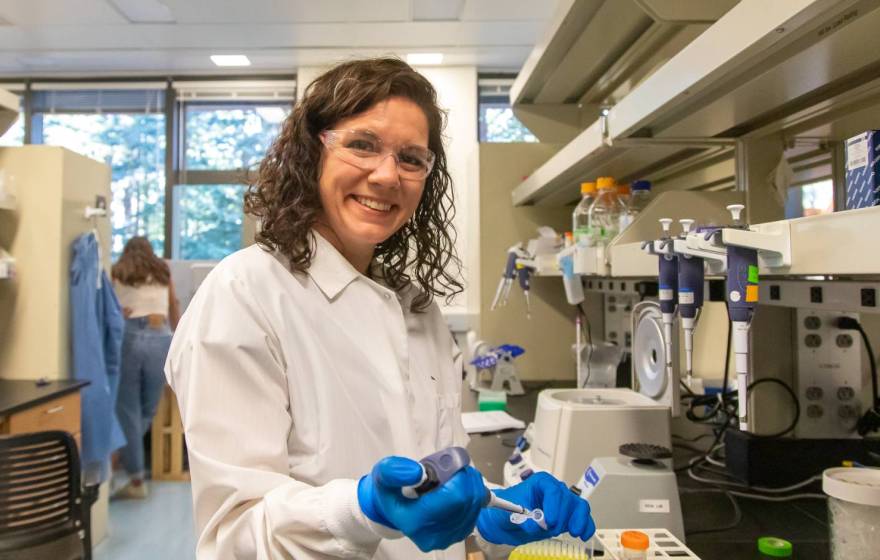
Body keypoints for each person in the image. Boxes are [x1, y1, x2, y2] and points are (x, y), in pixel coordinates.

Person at [165, 57, 594, 559]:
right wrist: (362, 510)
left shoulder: (417, 311)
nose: (388, 176)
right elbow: (233, 539)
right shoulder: (246, 294)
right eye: (363, 145)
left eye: (412, 159)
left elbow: (434, 497)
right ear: (313, 152)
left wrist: (492, 516)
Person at [111, 236, 180, 498]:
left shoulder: (118, 271)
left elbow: (111, 309)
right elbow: (173, 306)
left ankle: (133, 475)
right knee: (147, 409)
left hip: (128, 335)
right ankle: (127, 465)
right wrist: (179, 338)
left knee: (127, 408)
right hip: (160, 335)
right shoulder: (162, 271)